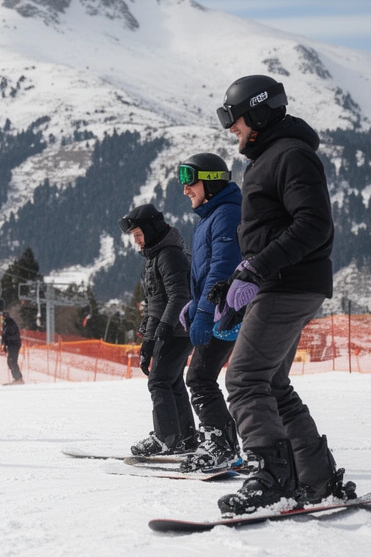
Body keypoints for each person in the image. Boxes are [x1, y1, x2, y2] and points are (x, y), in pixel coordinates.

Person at [207, 74, 355, 515]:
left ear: (257, 112)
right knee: (271, 383)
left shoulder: (291, 155)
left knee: (244, 379)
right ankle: (317, 478)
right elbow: (268, 234)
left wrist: (258, 268)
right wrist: (237, 278)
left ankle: (271, 479)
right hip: (282, 282)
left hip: (288, 284)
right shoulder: (268, 158)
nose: (231, 129)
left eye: (234, 119)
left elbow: (313, 225)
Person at [174, 154, 244, 472]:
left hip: (224, 312)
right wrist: (195, 303)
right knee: (203, 378)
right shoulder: (212, 216)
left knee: (200, 378)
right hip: (217, 308)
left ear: (212, 181)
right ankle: (222, 444)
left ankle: (222, 447)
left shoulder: (226, 214)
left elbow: (223, 267)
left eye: (190, 180)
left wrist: (204, 311)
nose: (185, 189)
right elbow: (207, 272)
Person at [120, 203, 194, 456]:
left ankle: (166, 438)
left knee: (159, 381)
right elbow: (155, 305)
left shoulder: (169, 255)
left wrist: (165, 326)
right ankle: (185, 437)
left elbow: (180, 296)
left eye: (139, 234)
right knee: (172, 382)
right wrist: (148, 342)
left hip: (178, 329)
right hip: (173, 328)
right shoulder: (156, 257)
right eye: (134, 236)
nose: (137, 241)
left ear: (151, 230)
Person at [0, 311, 23, 384]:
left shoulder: (11, 324)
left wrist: (6, 342)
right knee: (11, 361)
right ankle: (17, 378)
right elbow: (4, 336)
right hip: (11, 344)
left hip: (14, 344)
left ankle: (18, 378)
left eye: (2, 318)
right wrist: (4, 345)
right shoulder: (6, 325)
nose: (1, 320)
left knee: (12, 361)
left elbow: (10, 336)